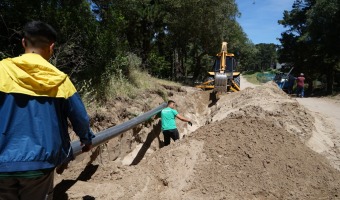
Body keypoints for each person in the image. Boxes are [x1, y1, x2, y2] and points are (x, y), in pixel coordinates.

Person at [0, 21, 95, 200]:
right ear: (51, 47)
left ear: (23, 42)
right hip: (39, 165)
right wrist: (86, 139)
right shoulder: (60, 80)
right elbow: (80, 116)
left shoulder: (1, 71)